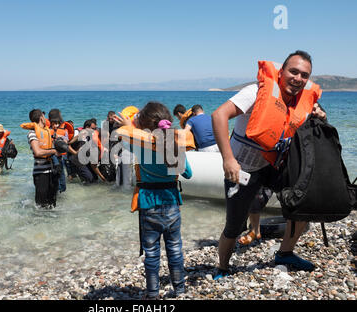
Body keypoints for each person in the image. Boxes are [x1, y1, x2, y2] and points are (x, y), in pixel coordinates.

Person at [211, 50, 327, 279]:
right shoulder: (255, 92)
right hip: (241, 170)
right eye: (293, 71)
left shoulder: (304, 102)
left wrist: (321, 116)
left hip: (273, 166)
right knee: (234, 226)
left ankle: (285, 253)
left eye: (304, 75)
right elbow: (218, 115)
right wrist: (228, 159)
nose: (298, 78)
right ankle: (222, 267)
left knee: (303, 203)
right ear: (282, 71)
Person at [115, 101, 193, 299]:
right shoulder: (174, 145)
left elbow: (125, 135)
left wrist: (130, 123)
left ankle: (152, 294)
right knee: (175, 249)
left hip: (148, 205)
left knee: (151, 253)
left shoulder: (138, 144)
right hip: (172, 204)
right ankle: (180, 290)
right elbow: (188, 173)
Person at [26, 109, 60, 208]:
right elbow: (38, 152)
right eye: (44, 117)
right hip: (40, 173)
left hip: (52, 171)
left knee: (52, 205)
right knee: (41, 206)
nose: (46, 119)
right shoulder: (32, 133)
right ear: (41, 117)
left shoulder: (47, 132)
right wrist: (53, 151)